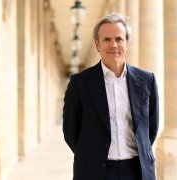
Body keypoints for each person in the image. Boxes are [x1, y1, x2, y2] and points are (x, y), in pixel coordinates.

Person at [63, 13, 159, 180]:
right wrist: (90, 156)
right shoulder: (80, 83)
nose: (113, 45)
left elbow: (151, 128)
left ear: (127, 43)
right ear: (97, 45)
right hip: (95, 171)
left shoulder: (146, 81)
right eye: (107, 39)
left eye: (119, 39)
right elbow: (70, 131)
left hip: (137, 171)